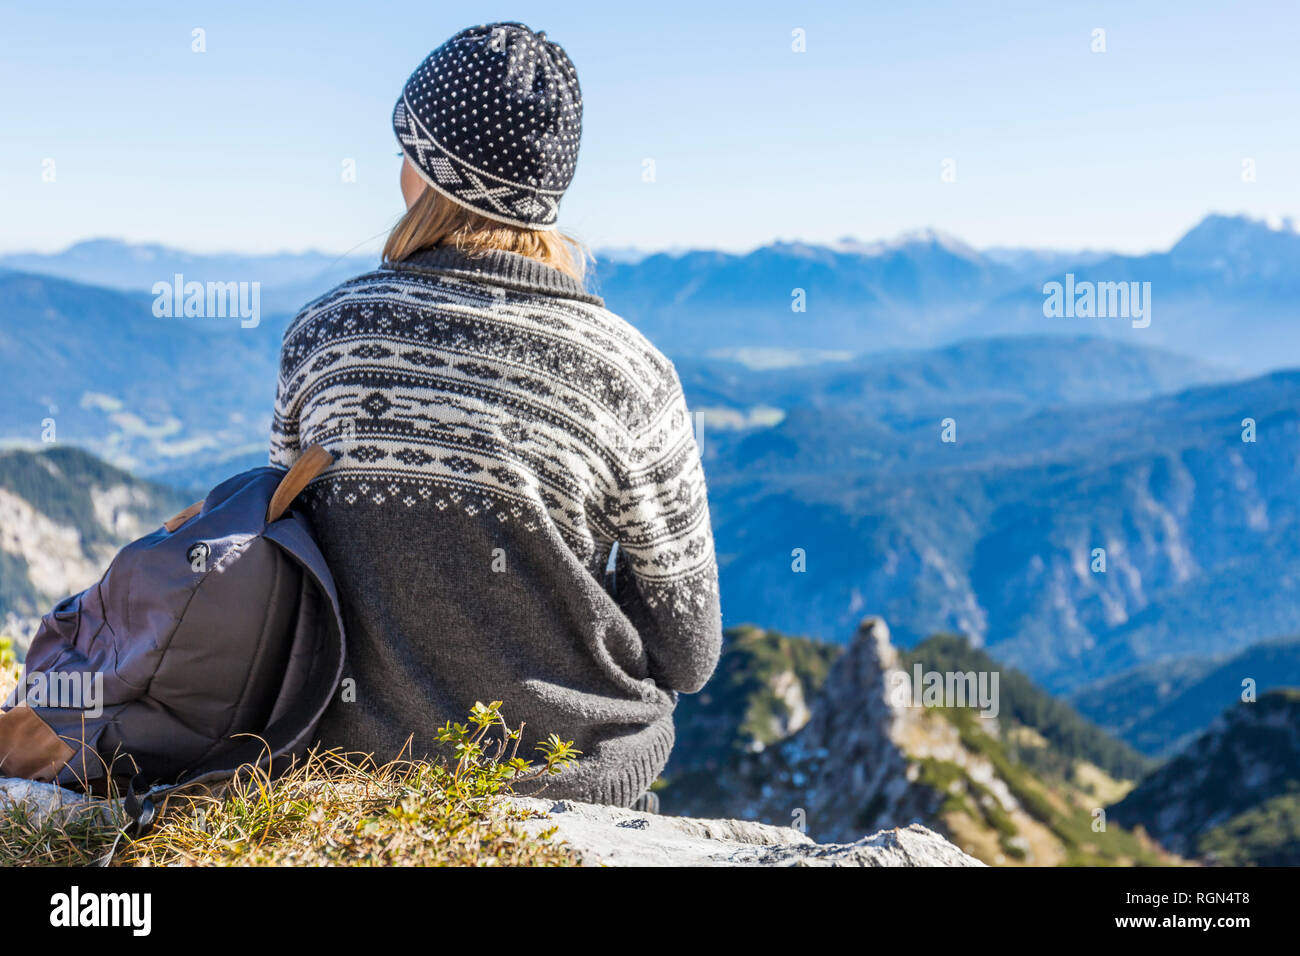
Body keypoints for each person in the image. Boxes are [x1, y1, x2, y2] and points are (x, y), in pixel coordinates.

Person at [270, 22, 722, 807]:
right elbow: (689, 653)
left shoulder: (324, 337)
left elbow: (280, 560)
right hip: (572, 797)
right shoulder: (632, 374)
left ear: (423, 170)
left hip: (340, 777)